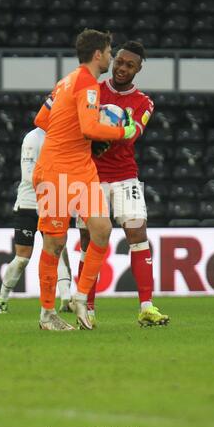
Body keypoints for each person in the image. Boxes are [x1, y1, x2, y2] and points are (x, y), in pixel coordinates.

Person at [33, 29, 137, 331]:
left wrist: (71, 130)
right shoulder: (86, 84)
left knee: (102, 229)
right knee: (54, 242)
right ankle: (47, 314)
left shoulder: (65, 82)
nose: (111, 57)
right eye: (109, 52)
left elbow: (42, 119)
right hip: (55, 171)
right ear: (97, 55)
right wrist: (123, 132)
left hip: (82, 170)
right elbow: (91, 127)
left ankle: (80, 297)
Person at [76, 41, 170, 327]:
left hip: (125, 175)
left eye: (129, 65)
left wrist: (103, 131)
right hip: (90, 175)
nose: (121, 68)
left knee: (138, 236)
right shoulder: (94, 89)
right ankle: (86, 308)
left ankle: (146, 307)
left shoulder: (144, 101)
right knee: (88, 242)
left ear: (138, 69)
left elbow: (131, 136)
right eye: (119, 62)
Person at [0, 125, 73, 314]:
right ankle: (1, 298)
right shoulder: (33, 137)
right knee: (22, 258)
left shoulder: (65, 134)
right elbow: (28, 175)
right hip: (29, 204)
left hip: (53, 203)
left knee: (59, 251)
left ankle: (66, 299)